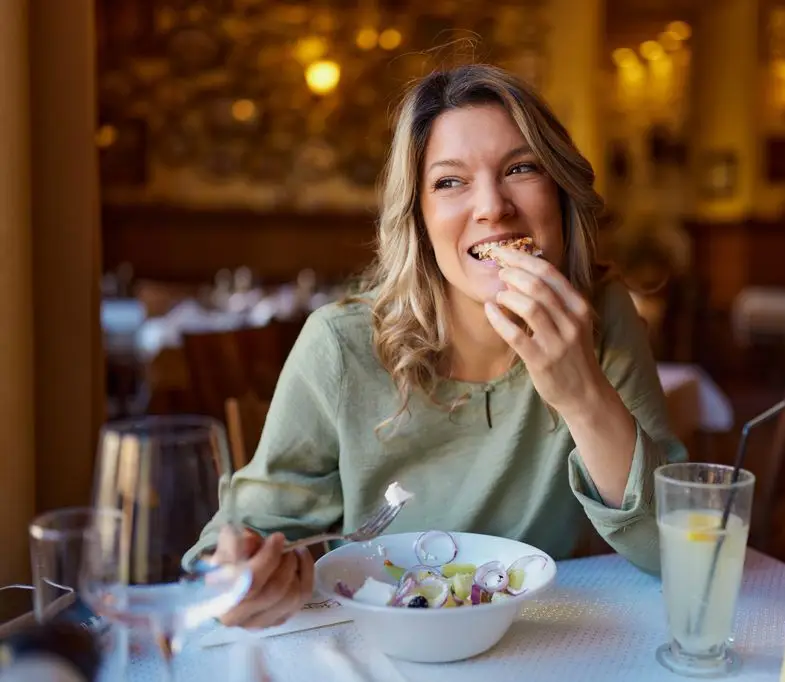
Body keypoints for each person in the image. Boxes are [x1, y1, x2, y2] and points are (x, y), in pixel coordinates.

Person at [184, 64, 686, 630]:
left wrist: (582, 392)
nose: (492, 206)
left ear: (560, 195)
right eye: (450, 182)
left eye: (521, 168)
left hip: (543, 644)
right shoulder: (340, 345)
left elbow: (674, 550)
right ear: (418, 218)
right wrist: (243, 575)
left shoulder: (602, 317)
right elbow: (232, 552)